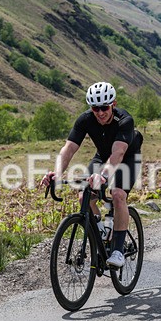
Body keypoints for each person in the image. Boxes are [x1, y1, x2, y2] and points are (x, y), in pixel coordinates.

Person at [41, 82, 143, 268]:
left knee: (119, 195)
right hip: (103, 156)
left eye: (104, 107)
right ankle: (102, 233)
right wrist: (56, 173)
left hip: (127, 157)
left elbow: (118, 154)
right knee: (84, 196)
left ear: (113, 103)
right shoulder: (85, 119)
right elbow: (69, 149)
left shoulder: (124, 120)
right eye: (95, 108)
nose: (100, 112)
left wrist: (102, 176)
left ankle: (118, 250)